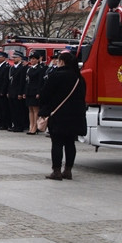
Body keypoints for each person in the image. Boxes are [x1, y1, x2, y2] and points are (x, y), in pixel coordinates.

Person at [38, 51, 87, 180]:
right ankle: (68, 170)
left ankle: (56, 171)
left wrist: (44, 109)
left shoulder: (56, 76)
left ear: (62, 62)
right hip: (75, 115)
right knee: (70, 143)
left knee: (57, 143)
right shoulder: (79, 78)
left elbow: (44, 95)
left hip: (59, 114)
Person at [24, 51, 44, 134]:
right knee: (30, 109)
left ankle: (35, 127)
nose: (32, 60)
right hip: (29, 91)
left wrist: (38, 92)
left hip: (35, 91)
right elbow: (27, 81)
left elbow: (40, 82)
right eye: (31, 59)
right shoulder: (30, 68)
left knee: (36, 110)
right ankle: (31, 125)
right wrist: (25, 92)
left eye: (33, 59)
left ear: (37, 60)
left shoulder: (39, 69)